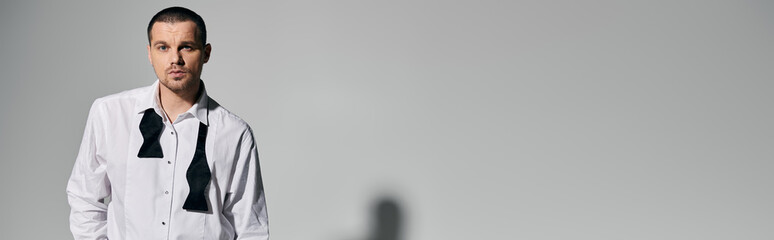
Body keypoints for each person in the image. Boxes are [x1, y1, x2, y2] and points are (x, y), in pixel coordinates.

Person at [66, 6, 269, 239]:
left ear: (206, 53)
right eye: (163, 47)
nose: (175, 59)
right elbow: (84, 198)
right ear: (150, 53)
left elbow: (250, 227)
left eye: (187, 47)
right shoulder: (109, 114)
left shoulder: (234, 133)